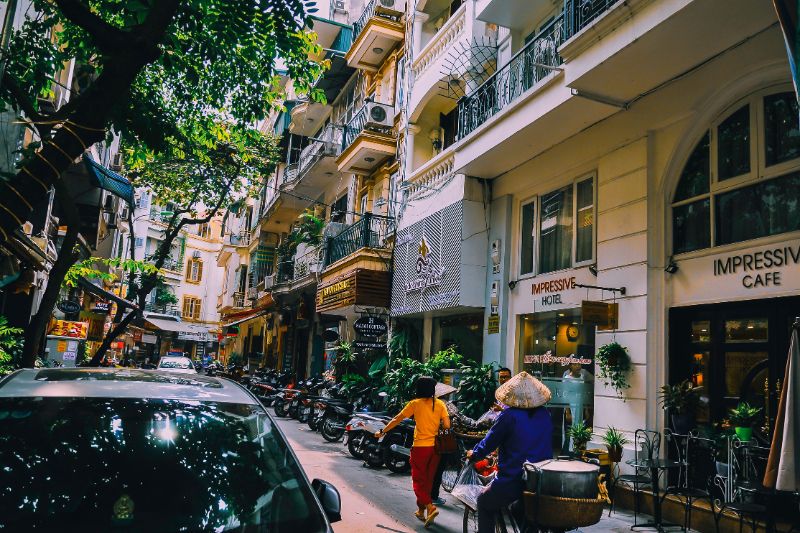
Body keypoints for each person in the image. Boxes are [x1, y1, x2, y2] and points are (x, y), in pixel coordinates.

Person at [466, 371, 553, 533]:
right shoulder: (545, 414)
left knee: (484, 502)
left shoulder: (509, 416)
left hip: (515, 477)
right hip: (540, 479)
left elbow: (490, 441)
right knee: (520, 509)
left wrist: (475, 454)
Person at [375, 376, 450, 527]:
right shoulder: (440, 404)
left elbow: (397, 419)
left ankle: (430, 506)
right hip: (436, 448)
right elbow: (447, 426)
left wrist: (383, 431)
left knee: (417, 479)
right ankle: (421, 511)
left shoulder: (415, 404)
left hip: (420, 447)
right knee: (427, 480)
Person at [430, 381, 480, 506]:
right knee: (439, 468)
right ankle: (433, 496)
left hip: (431, 439)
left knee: (434, 468)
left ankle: (429, 494)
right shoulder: (446, 404)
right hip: (443, 440)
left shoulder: (431, 404)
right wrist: (477, 424)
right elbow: (461, 418)